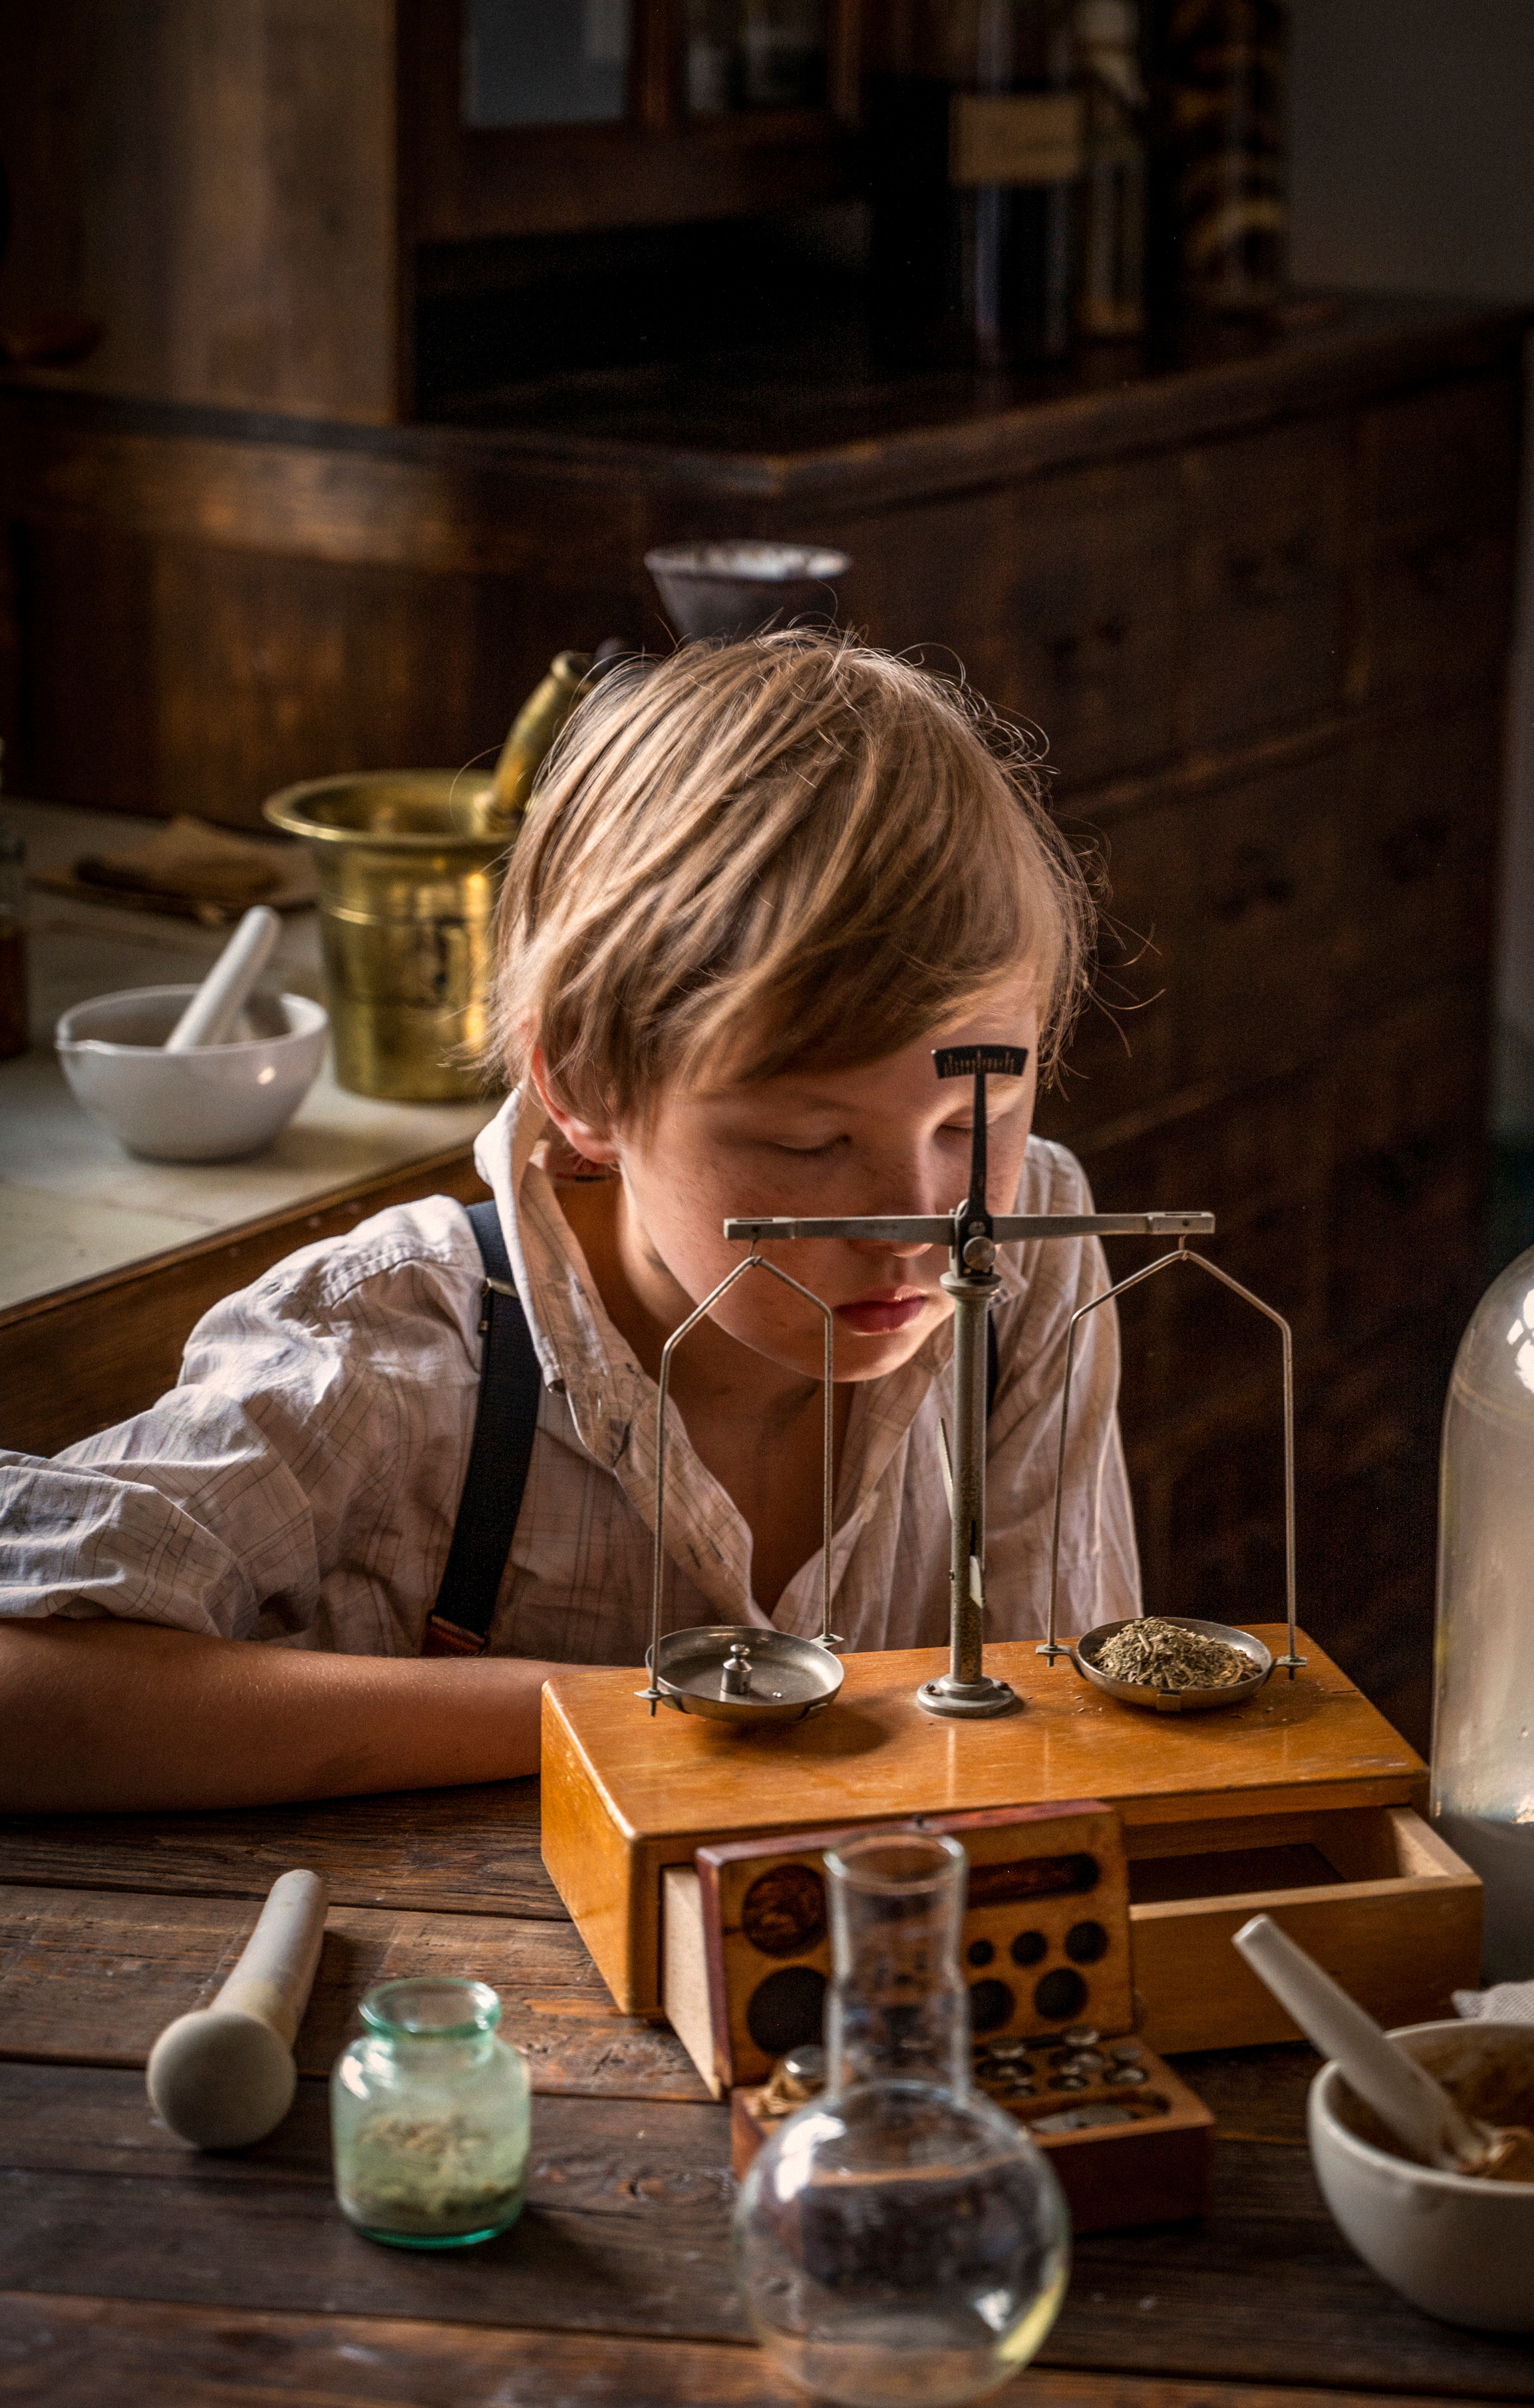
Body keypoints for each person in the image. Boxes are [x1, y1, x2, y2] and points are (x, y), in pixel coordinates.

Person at [0, 633, 1140, 1813]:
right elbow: (19, 1686)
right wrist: (625, 1719)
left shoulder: (1032, 1252)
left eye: (973, 1121)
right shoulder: (395, 1349)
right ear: (586, 1083)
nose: (924, 1228)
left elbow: (1069, 1727)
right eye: (810, 1144)